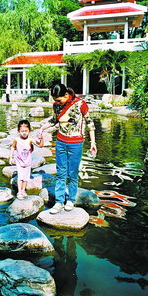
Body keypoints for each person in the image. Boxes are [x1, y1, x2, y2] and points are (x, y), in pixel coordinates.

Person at [39, 83, 96, 214]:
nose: (57, 103)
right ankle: (59, 201)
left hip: (76, 143)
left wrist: (93, 142)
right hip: (60, 142)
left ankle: (71, 200)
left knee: (72, 173)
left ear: (66, 95)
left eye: (59, 100)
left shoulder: (80, 104)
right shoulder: (56, 105)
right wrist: (42, 128)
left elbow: (90, 123)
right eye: (55, 100)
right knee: (60, 173)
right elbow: (54, 120)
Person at [9, 119, 44, 200]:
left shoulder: (30, 139)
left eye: (26, 131)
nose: (24, 133)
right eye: (22, 131)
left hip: (27, 161)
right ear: (19, 131)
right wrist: (10, 157)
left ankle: (23, 190)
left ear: (29, 131)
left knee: (26, 177)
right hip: (19, 161)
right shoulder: (17, 139)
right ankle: (19, 192)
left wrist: (41, 138)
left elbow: (40, 145)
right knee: (20, 177)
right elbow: (13, 147)